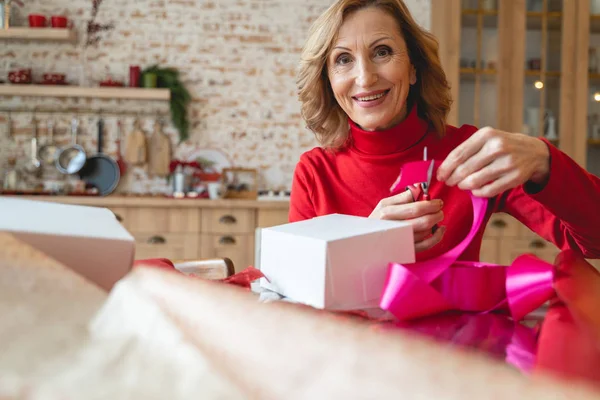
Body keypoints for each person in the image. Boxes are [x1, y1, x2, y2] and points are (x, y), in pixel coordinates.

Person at [290, 0, 600, 262]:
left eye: (382, 52)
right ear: (328, 81)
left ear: (413, 68)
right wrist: (366, 244)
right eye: (343, 59)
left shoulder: (471, 153)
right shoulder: (314, 172)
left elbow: (594, 242)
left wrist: (545, 161)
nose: (365, 77)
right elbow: (295, 292)